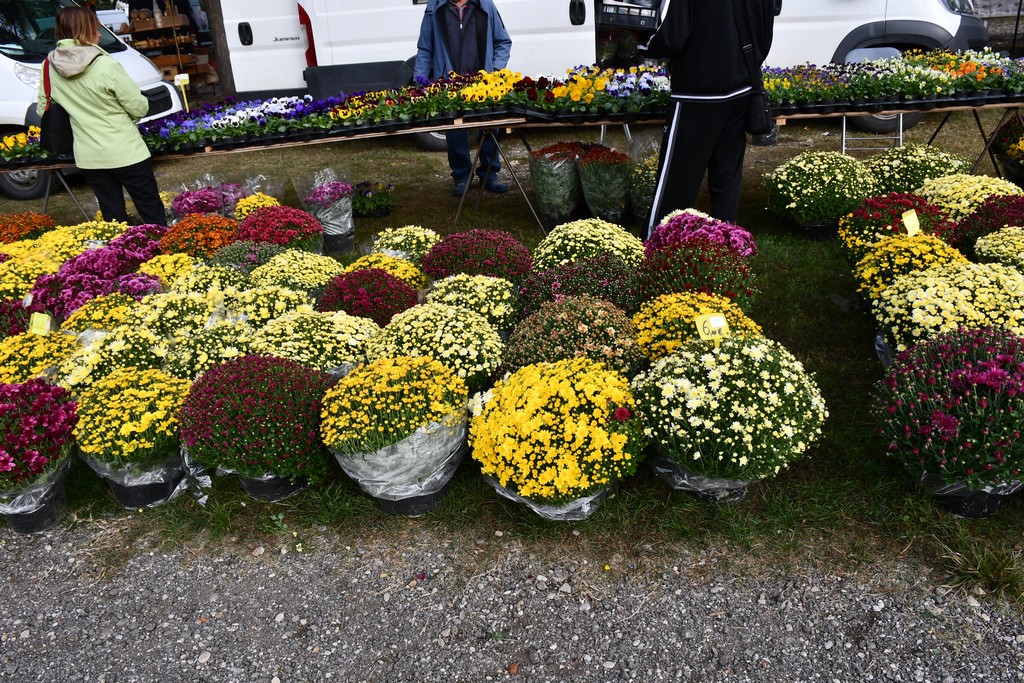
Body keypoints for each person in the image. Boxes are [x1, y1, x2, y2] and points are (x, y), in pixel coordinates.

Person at [642, 0, 778, 234]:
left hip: (697, 93)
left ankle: (656, 244)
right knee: (727, 179)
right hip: (741, 89)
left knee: (676, 181)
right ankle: (727, 244)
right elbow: (765, 35)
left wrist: (643, 45)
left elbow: (673, 38)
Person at [38, 7, 165, 226]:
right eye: (96, 29)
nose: (98, 34)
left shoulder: (49, 65)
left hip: (89, 156)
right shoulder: (104, 63)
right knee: (151, 210)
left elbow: (44, 108)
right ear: (86, 31)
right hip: (126, 151)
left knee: (113, 218)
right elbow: (139, 107)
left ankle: (121, 257)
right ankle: (165, 256)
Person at [415, 0, 513, 196]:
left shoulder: (485, 5)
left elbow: (503, 42)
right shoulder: (434, 8)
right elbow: (425, 48)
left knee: (490, 126)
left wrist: (493, 72)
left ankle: (489, 175)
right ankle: (461, 177)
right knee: (455, 130)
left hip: (482, 83)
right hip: (450, 83)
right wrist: (420, 82)